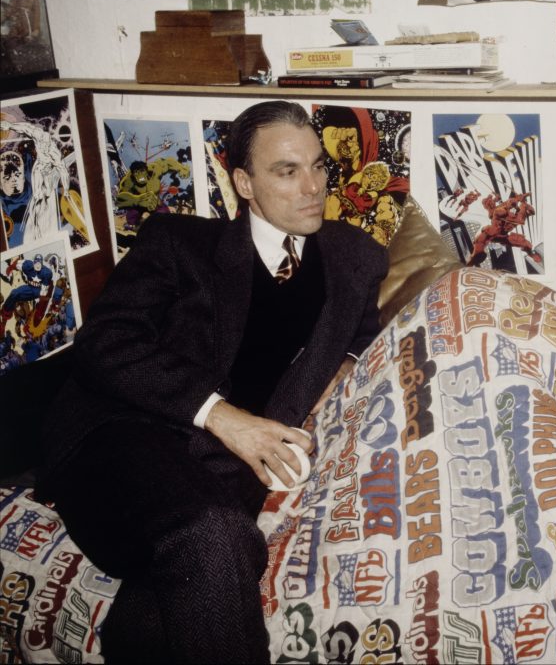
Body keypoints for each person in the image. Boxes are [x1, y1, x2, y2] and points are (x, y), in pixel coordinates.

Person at [35, 100, 389, 662]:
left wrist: (344, 364)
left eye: (318, 166)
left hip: (227, 472)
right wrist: (222, 416)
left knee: (162, 611)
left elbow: (365, 333)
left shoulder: (355, 257)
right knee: (216, 534)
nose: (313, 187)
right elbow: (105, 343)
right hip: (125, 440)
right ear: (245, 183)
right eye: (287, 171)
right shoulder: (180, 243)